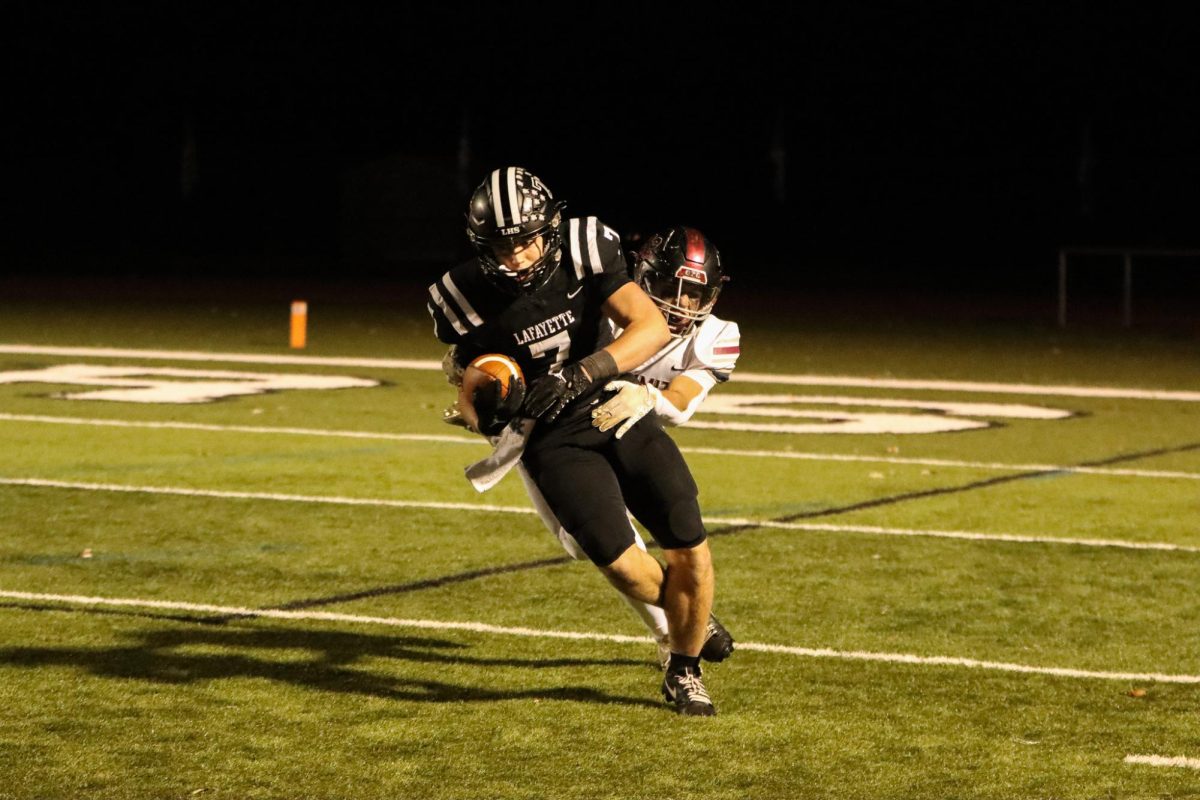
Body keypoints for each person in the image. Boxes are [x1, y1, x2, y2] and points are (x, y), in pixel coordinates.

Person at [427, 167, 725, 715]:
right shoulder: (459, 295)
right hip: (551, 436)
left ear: (550, 227)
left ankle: (683, 668)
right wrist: (481, 410)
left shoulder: (585, 246)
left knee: (689, 541)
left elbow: (650, 327)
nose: (515, 255)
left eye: (525, 240)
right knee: (622, 567)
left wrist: (583, 373)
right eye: (501, 245)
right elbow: (472, 383)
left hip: (616, 404)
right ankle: (692, 616)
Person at [514, 225, 739, 671]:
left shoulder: (716, 335)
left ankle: (669, 630)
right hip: (558, 430)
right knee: (583, 544)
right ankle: (690, 612)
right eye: (673, 288)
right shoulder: (609, 304)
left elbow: (681, 402)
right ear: (644, 277)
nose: (683, 304)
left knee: (658, 536)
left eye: (695, 294)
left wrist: (649, 396)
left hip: (636, 429)